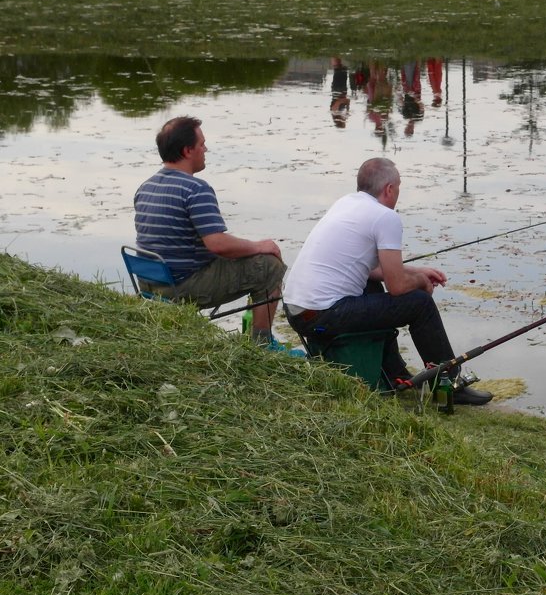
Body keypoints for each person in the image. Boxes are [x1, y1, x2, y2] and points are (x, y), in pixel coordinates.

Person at [283, 158, 492, 405]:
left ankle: (394, 374)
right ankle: (448, 384)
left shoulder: (346, 204)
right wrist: (422, 284)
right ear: (389, 189)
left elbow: (371, 270)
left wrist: (418, 271)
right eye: (399, 188)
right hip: (325, 315)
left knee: (371, 287)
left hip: (297, 312)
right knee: (420, 304)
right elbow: (398, 287)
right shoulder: (385, 217)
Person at [133, 115, 300, 354]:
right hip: (181, 286)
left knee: (243, 258)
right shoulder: (195, 189)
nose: (206, 149)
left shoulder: (146, 186)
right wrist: (259, 246)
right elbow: (217, 244)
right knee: (269, 266)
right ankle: (262, 346)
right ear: (187, 150)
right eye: (202, 144)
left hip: (150, 283)